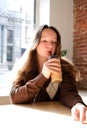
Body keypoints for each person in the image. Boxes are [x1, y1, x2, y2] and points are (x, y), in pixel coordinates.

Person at [9, 24, 87, 124]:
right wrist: (43, 76)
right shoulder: (24, 68)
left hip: (58, 120)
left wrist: (77, 104)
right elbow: (14, 97)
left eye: (54, 42)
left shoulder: (64, 67)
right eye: (44, 40)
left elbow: (69, 93)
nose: (50, 46)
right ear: (35, 43)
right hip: (29, 120)